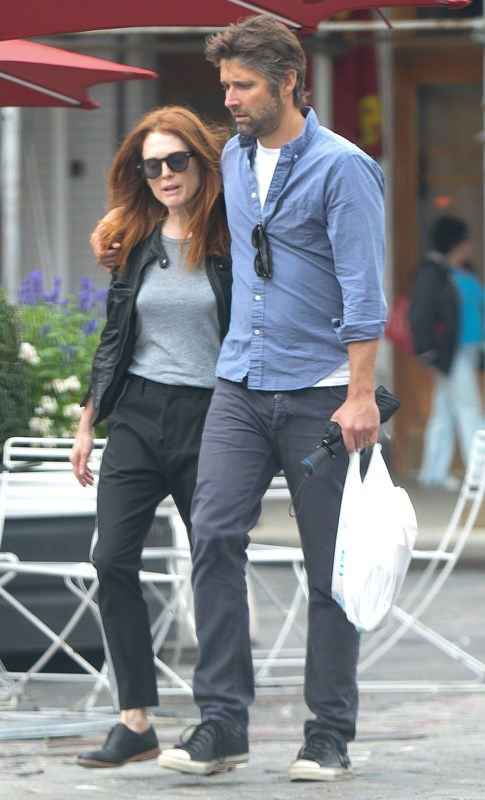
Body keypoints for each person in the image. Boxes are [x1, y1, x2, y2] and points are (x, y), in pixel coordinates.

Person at [155, 15, 387, 783]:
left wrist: (361, 394)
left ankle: (328, 732)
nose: (230, 98)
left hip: (322, 393)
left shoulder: (343, 168)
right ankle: (222, 722)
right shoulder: (231, 154)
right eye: (225, 85)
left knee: (331, 567)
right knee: (213, 534)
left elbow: (362, 286)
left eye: (243, 85)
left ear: (289, 81)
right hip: (240, 383)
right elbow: (183, 209)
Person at [70, 105, 231, 768]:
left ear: (200, 161)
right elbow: (117, 336)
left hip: (212, 416)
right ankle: (133, 719)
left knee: (214, 564)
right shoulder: (133, 239)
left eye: (175, 160)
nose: (164, 174)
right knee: (111, 560)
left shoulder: (232, 236)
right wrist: (88, 418)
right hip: (137, 413)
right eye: (151, 165)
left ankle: (219, 717)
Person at [409, 215, 484, 490]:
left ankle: (433, 474)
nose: (471, 244)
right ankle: (479, 475)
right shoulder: (434, 271)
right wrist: (428, 352)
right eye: (466, 239)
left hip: (469, 350)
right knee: (470, 410)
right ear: (455, 242)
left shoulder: (466, 271)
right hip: (451, 354)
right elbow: (420, 314)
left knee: (445, 412)